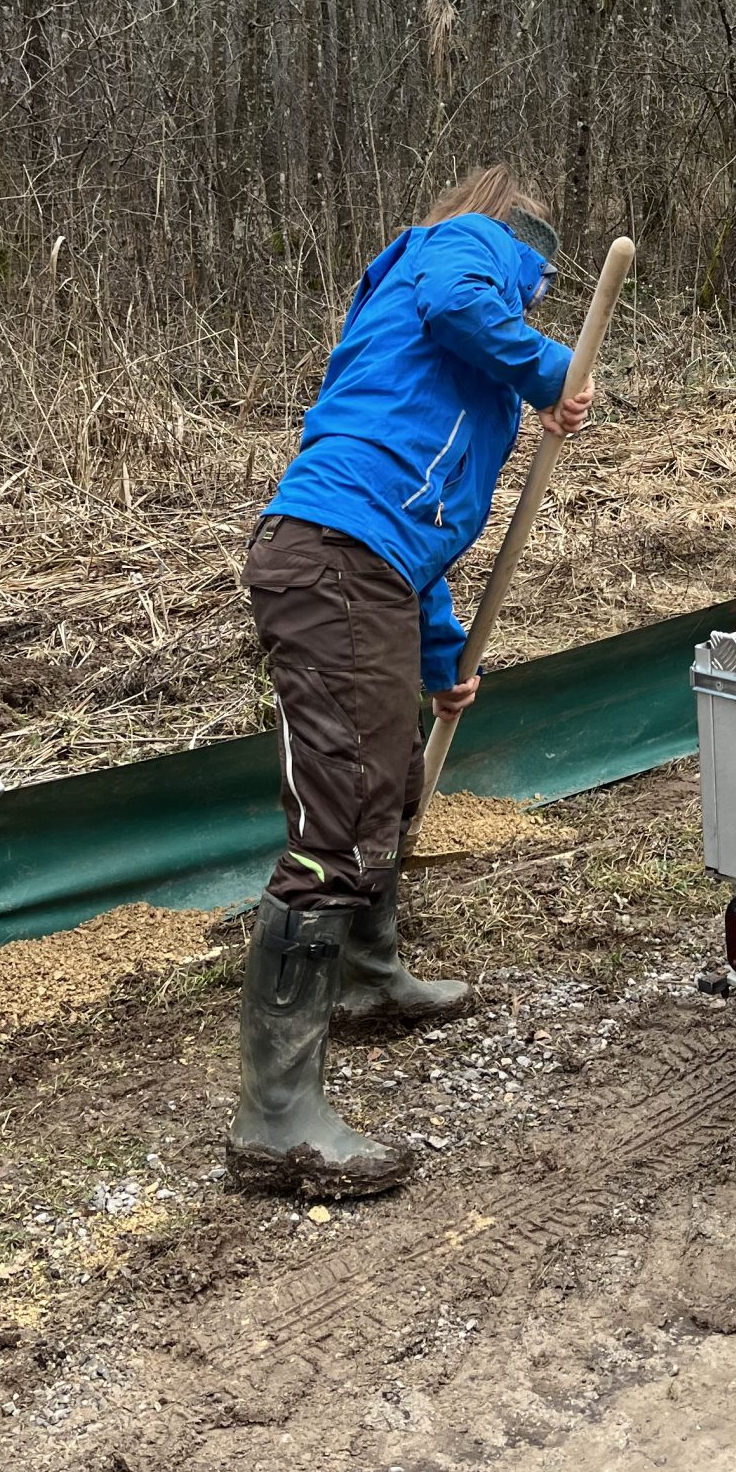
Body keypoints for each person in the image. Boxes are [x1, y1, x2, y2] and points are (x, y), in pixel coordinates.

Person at [230, 166, 591, 1198]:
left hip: (371, 566)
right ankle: (275, 1121)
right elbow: (458, 303)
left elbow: (420, 527)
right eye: (540, 284)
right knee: (339, 820)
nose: (537, 298)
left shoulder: (455, 356)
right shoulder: (460, 246)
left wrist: (440, 662)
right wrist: (552, 369)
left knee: (387, 782)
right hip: (333, 558)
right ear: (525, 252)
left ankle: (366, 974)